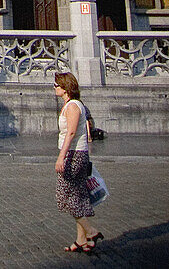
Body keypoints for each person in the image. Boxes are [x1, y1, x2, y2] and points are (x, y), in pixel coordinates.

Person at [54, 71, 104, 254]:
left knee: (66, 196)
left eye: (57, 85)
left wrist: (62, 156)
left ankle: (91, 231)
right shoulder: (71, 105)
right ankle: (81, 240)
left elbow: (72, 132)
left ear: (66, 88)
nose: (55, 88)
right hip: (76, 154)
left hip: (74, 155)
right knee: (78, 197)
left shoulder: (73, 106)